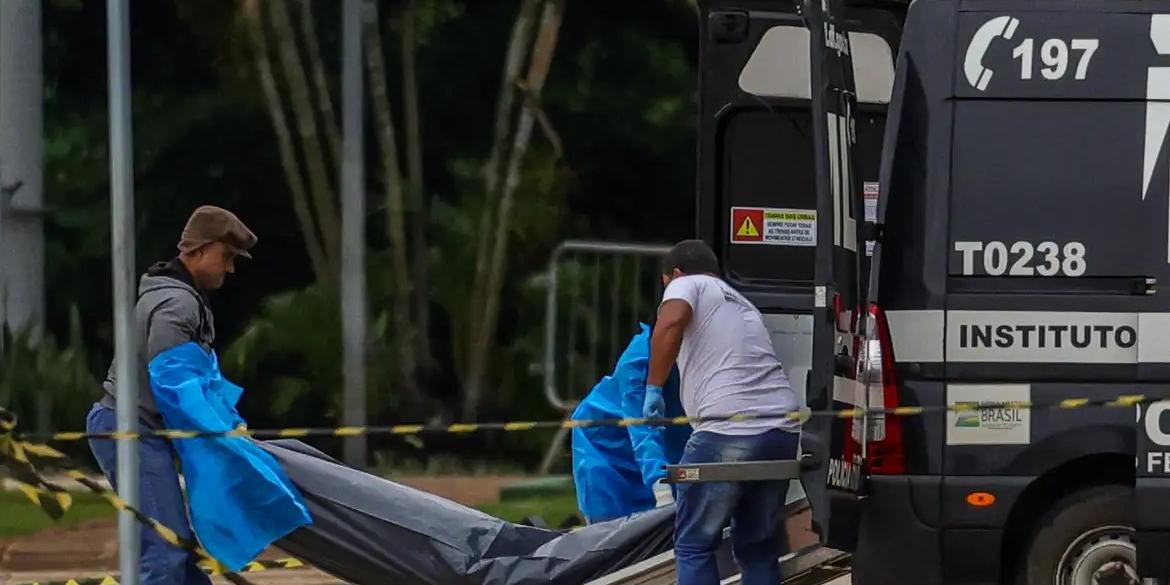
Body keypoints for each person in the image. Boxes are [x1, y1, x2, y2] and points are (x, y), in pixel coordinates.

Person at [85, 205, 257, 584]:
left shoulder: (180, 296)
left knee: (181, 556)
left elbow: (196, 382)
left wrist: (228, 426)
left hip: (135, 427)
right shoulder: (177, 303)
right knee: (165, 555)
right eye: (226, 257)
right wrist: (221, 434)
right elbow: (174, 383)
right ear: (197, 250)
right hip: (130, 430)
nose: (230, 268)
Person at [645, 239, 801, 585]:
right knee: (757, 546)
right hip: (781, 432)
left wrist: (654, 387)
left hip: (727, 431)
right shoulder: (740, 301)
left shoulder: (688, 282)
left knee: (694, 544)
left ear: (675, 273)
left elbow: (670, 323)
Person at [569, 322, 691, 524]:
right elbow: (642, 428)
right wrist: (660, 487)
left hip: (668, 445)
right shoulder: (637, 361)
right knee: (613, 533)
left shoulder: (701, 349)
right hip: (605, 448)